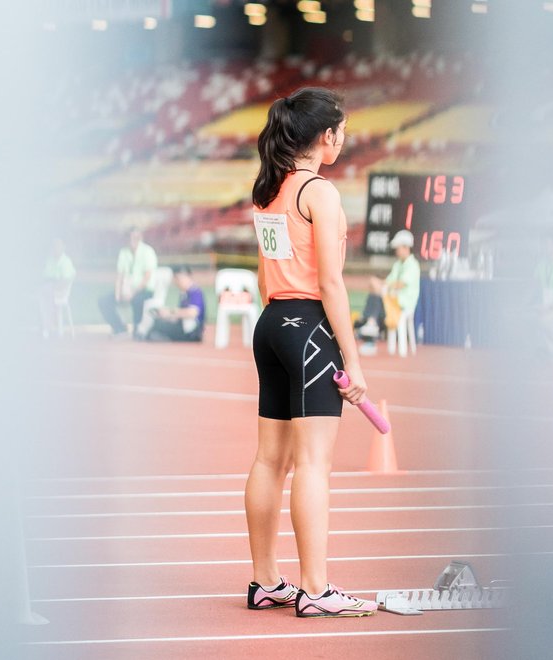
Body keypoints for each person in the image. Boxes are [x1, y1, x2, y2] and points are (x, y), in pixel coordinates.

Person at [245, 87, 378, 618]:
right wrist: (352, 359)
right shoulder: (319, 193)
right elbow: (331, 283)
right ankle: (316, 590)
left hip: (271, 324)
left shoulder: (269, 188)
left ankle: (265, 582)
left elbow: (265, 276)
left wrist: (282, 327)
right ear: (326, 136)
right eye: (341, 131)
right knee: (313, 464)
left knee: (269, 460)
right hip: (309, 330)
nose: (343, 140)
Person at [358, 229, 421, 356]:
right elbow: (389, 281)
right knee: (375, 295)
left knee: (376, 297)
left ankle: (370, 325)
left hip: (403, 304)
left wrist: (380, 285)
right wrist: (378, 283)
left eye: (398, 248)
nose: (396, 251)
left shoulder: (413, 265)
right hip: (392, 301)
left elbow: (400, 284)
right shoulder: (398, 264)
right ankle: (371, 324)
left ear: (406, 247)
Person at [97, 227, 158, 338]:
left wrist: (133, 292)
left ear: (140, 238)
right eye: (130, 237)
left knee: (137, 300)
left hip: (145, 289)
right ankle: (119, 328)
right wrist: (118, 293)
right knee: (103, 301)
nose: (133, 240)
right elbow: (120, 275)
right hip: (127, 289)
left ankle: (137, 329)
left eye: (136, 237)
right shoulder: (124, 252)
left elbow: (147, 276)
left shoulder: (148, 251)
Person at [136, 265, 205, 342]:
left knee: (157, 327)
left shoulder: (194, 291)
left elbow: (192, 313)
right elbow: (180, 315)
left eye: (177, 279)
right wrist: (166, 315)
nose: (176, 283)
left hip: (192, 332)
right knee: (158, 323)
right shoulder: (184, 293)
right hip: (184, 326)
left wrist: (170, 312)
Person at [39, 238, 76, 339]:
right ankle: (47, 325)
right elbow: (45, 276)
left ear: (63, 247)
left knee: (45, 294)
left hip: (62, 290)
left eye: (58, 246)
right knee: (43, 295)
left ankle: (47, 326)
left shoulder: (66, 262)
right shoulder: (50, 260)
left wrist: (54, 287)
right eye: (54, 246)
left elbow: (66, 280)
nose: (56, 248)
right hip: (49, 287)